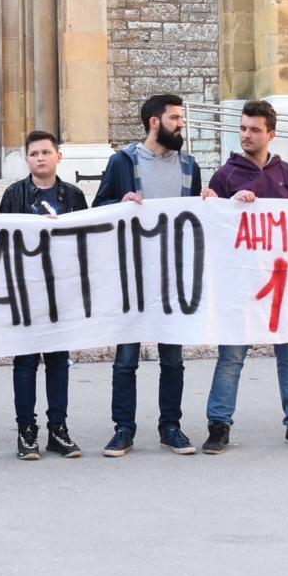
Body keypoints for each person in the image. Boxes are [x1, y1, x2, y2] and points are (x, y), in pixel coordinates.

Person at [202, 101, 288, 453]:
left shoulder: (287, 174)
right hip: (241, 286)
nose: (246, 134)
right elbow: (214, 227)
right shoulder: (224, 176)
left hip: (282, 284)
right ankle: (219, 424)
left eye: (254, 129)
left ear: (271, 134)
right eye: (243, 128)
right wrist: (221, 203)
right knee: (231, 357)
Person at [93, 93, 203, 457]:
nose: (180, 123)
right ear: (155, 122)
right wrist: (118, 204)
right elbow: (99, 208)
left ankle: (170, 426)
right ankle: (123, 428)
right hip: (132, 276)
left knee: (173, 358)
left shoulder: (189, 166)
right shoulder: (123, 161)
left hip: (173, 277)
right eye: (175, 118)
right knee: (126, 358)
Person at [0, 131, 89, 459]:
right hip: (25, 291)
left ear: (58, 157)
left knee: (57, 362)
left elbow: (85, 239)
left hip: (60, 291)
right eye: (34, 153)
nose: (40, 158)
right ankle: (26, 430)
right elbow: (2, 239)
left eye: (46, 152)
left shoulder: (74, 196)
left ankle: (58, 429)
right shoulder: (14, 194)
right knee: (24, 362)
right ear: (27, 159)